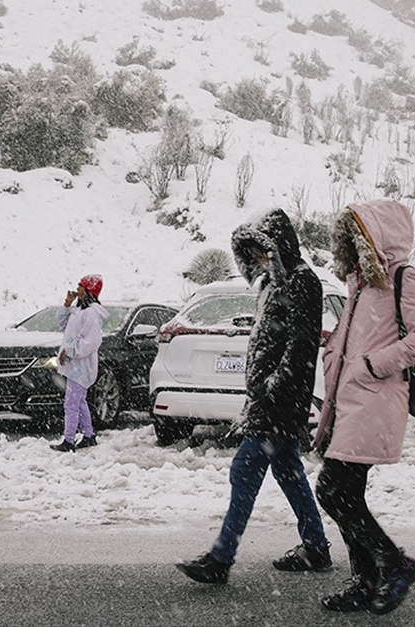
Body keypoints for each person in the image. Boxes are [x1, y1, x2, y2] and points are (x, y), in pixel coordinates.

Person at [176, 208, 333, 585]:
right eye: (251, 255)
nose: (258, 260)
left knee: (245, 469)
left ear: (279, 245)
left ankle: (221, 557)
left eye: (262, 251)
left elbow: (301, 345)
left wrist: (273, 389)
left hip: (280, 401)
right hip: (267, 399)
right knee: (288, 472)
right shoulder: (269, 285)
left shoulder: (302, 281)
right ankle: (315, 546)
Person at [313, 200, 415, 615]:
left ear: (377, 237)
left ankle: (393, 563)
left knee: (333, 491)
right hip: (348, 402)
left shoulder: (403, 278)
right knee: (346, 493)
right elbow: (362, 338)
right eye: (348, 235)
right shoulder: (362, 284)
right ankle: (365, 581)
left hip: (372, 400)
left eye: (359, 233)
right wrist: (335, 347)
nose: (352, 242)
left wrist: (372, 364)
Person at [50, 274, 108, 452]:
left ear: (89, 290)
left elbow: (91, 341)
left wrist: (70, 351)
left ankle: (69, 440)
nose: (77, 289)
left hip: (81, 367)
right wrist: (67, 304)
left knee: (71, 404)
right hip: (75, 366)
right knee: (79, 401)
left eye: (81, 286)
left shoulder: (91, 313)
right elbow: (62, 325)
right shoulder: (80, 310)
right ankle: (89, 435)